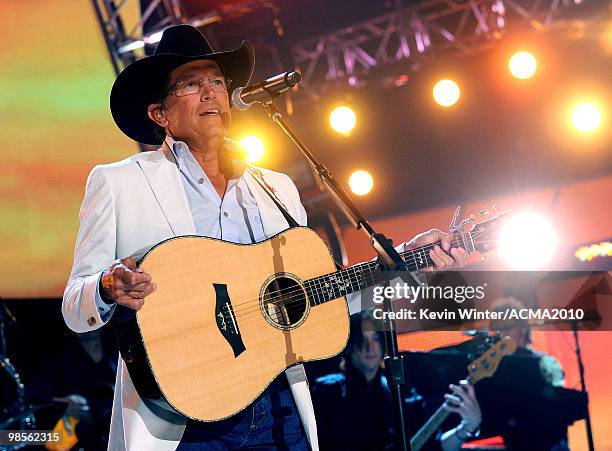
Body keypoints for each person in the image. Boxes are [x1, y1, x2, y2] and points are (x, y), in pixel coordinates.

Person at [62, 24, 468, 450]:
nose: (211, 92)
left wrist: (407, 263)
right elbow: (75, 305)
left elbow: (315, 298)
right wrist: (107, 288)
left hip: (279, 410)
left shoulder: (274, 189)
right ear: (159, 113)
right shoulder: (119, 182)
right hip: (183, 422)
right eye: (191, 83)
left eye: (217, 81)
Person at [312, 311, 481, 451]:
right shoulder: (327, 391)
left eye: (375, 339)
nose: (369, 347)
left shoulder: (400, 392)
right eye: (361, 340)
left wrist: (468, 427)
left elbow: (435, 446)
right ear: (348, 347)